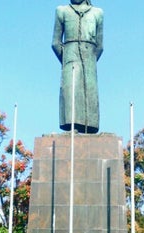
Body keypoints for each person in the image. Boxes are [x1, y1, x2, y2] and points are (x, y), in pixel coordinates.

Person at [52, 0, 103, 134]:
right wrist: (66, 59)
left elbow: (100, 46)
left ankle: (90, 127)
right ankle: (71, 125)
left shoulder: (97, 12)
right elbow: (55, 43)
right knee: (70, 90)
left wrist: (90, 60)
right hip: (70, 55)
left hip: (89, 59)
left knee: (89, 93)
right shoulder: (62, 11)